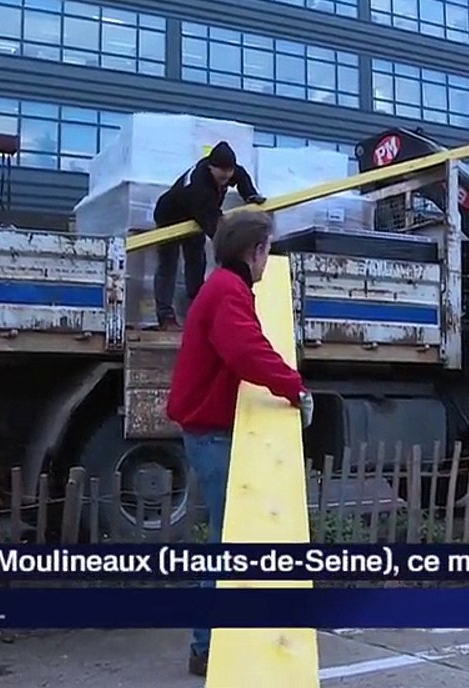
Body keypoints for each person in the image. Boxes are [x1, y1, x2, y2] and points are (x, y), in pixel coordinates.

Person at [165, 210, 313, 677]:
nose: (269, 258)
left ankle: (214, 640)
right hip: (211, 431)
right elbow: (246, 350)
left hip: (209, 427)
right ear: (254, 251)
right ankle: (206, 646)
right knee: (227, 539)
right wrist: (294, 387)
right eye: (267, 249)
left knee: (227, 536)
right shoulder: (228, 291)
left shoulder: (225, 287)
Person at [153, 141, 266, 330]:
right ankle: (166, 317)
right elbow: (215, 227)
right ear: (211, 167)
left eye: (229, 172)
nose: (226, 177)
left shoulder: (229, 171)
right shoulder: (199, 188)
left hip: (192, 219)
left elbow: (240, 176)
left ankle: (196, 314)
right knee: (168, 265)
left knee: (196, 263)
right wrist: (235, 251)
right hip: (169, 218)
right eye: (222, 174)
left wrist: (250, 195)